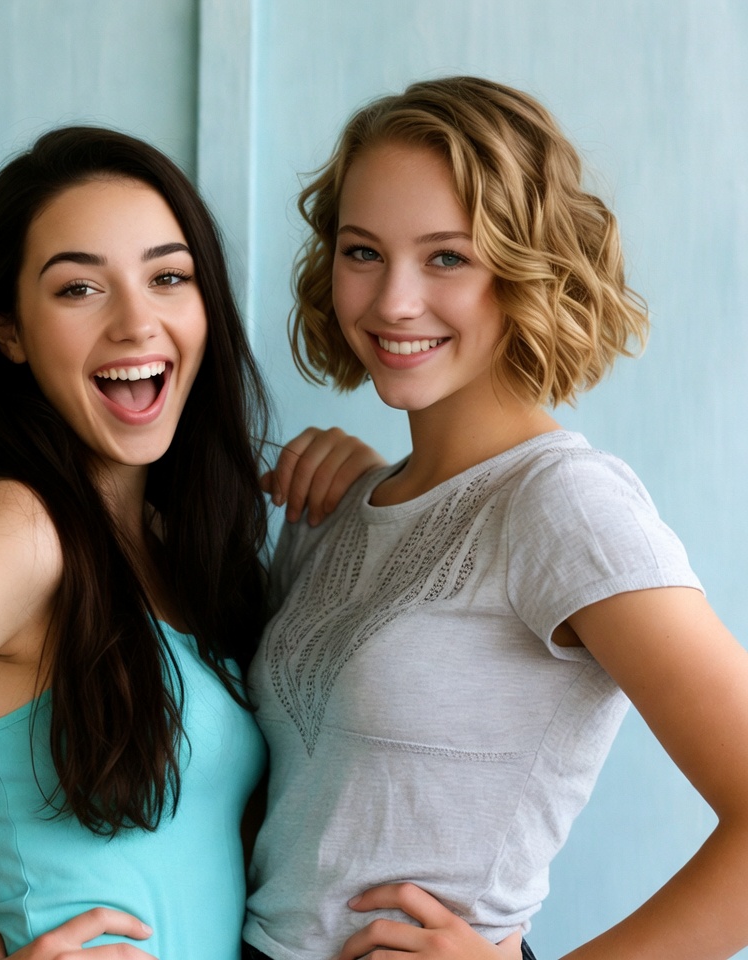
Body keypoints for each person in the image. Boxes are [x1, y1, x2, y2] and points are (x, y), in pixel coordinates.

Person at [0, 126, 380, 960]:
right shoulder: (17, 540)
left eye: (169, 277)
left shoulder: (176, 547)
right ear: (10, 332)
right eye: (78, 290)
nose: (137, 322)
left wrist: (373, 493)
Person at [240, 77, 748, 960]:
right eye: (363, 252)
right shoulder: (343, 510)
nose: (394, 301)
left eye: (447, 257)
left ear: (528, 267)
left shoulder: (565, 505)